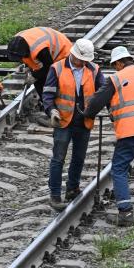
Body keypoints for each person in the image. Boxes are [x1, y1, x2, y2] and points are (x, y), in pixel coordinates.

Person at [84, 46, 134, 227]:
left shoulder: (116, 79)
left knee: (118, 169)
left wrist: (86, 113)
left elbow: (96, 102)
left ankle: (125, 213)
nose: (115, 68)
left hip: (129, 130)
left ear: (119, 63)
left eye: (115, 65)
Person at [42, 38, 105, 211]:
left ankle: (72, 188)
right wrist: (52, 111)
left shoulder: (94, 69)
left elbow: (103, 92)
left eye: (86, 60)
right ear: (73, 54)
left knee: (79, 157)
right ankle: (55, 195)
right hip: (63, 121)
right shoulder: (57, 68)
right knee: (58, 158)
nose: (83, 62)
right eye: (81, 59)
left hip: (84, 120)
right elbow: (47, 94)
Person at [6, 27, 72, 102]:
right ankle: (45, 103)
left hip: (63, 53)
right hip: (47, 51)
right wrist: (28, 66)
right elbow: (27, 58)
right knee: (38, 79)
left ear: (26, 52)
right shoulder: (17, 43)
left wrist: (34, 76)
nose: (20, 60)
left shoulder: (40, 49)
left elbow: (49, 67)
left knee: (50, 79)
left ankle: (54, 103)